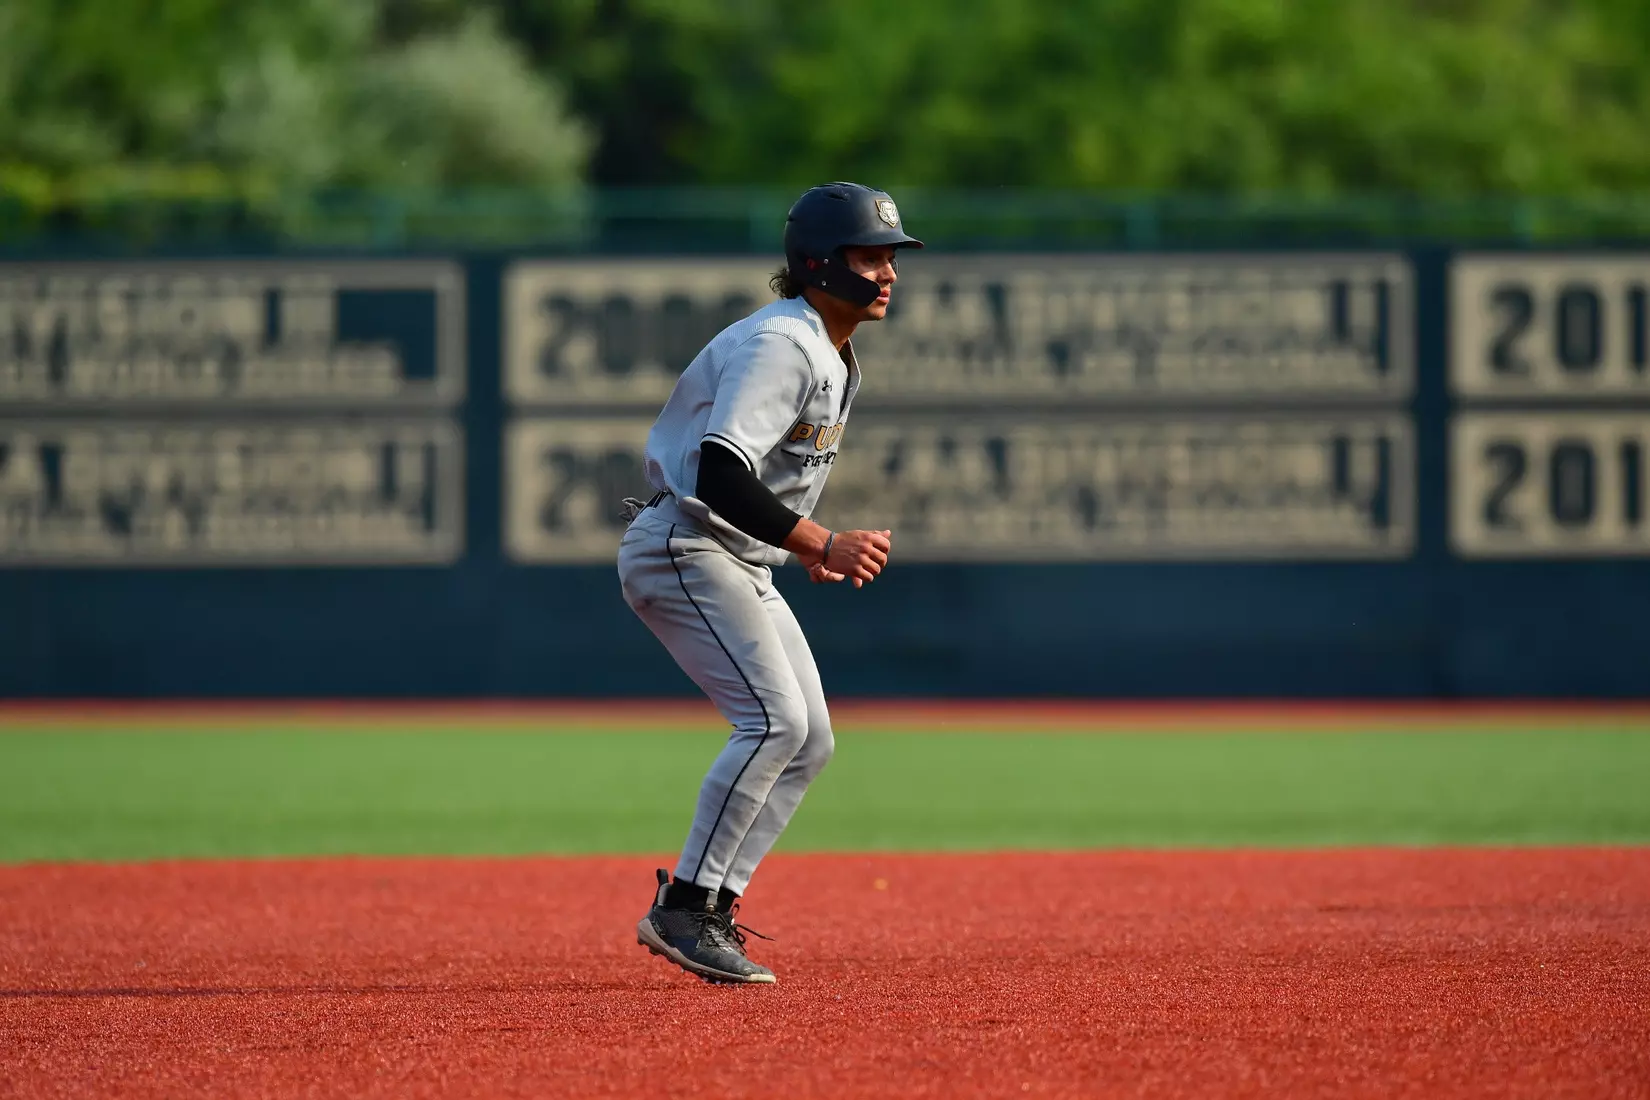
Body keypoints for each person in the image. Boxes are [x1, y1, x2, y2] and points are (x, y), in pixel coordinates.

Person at [616, 182, 922, 984]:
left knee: (810, 738)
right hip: (686, 545)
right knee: (774, 722)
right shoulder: (785, 342)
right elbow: (720, 472)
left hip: (731, 554)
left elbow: (756, 483)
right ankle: (684, 908)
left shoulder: (829, 349)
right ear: (817, 263)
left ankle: (712, 907)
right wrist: (821, 540)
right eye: (869, 256)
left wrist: (797, 545)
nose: (888, 272)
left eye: (891, 257)